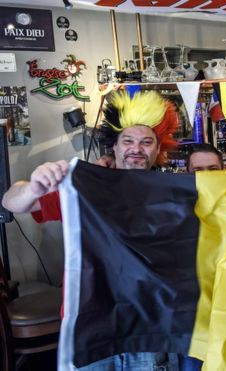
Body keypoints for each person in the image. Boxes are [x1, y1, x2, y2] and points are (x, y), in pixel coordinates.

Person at [2, 90, 181, 370]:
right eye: (129, 141)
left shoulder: (173, 196)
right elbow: (11, 202)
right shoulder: (84, 188)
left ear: (159, 149)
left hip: (148, 332)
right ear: (116, 146)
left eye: (147, 142)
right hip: (89, 331)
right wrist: (33, 186)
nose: (137, 148)